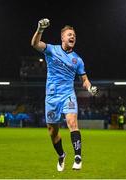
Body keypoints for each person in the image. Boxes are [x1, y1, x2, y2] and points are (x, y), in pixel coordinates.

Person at [31, 18, 98, 171]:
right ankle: (61, 155)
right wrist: (40, 29)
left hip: (68, 95)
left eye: (74, 35)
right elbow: (35, 44)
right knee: (52, 132)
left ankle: (78, 157)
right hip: (51, 97)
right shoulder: (51, 50)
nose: (72, 36)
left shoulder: (78, 60)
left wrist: (90, 88)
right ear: (62, 38)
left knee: (72, 123)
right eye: (69, 34)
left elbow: (85, 80)